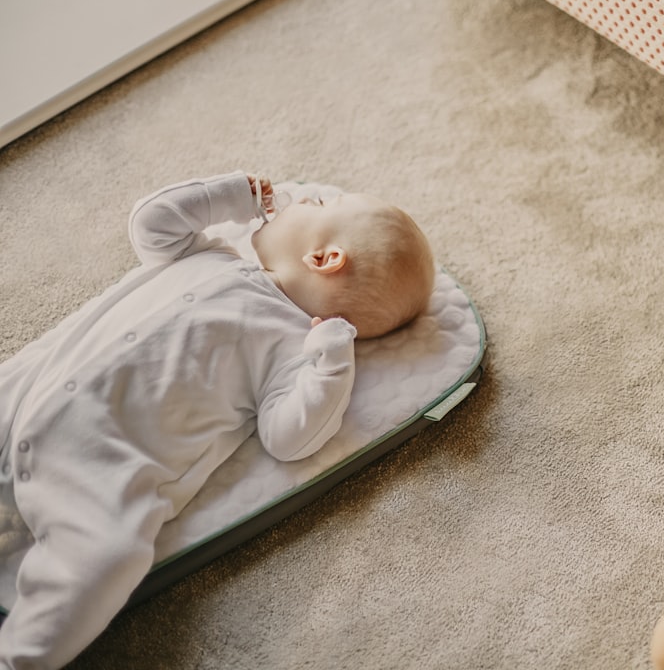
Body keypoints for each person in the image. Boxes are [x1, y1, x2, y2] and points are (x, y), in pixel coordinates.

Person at [0, 171, 435, 668]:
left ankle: (22, 657)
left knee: (110, 557)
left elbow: (290, 437)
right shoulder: (210, 254)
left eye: (313, 203)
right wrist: (234, 195)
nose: (293, 201)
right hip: (23, 398)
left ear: (323, 258)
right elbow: (151, 222)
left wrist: (331, 362)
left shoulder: (295, 347)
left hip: (98, 464)